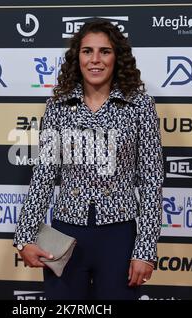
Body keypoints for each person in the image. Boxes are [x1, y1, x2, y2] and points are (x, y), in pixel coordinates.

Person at [13, 20, 164, 300]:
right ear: (77, 57)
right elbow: (44, 174)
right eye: (87, 51)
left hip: (118, 236)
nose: (95, 60)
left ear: (117, 57)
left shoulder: (140, 105)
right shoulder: (57, 106)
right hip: (66, 235)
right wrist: (25, 235)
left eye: (104, 51)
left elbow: (152, 180)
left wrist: (145, 250)